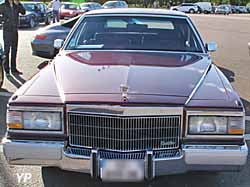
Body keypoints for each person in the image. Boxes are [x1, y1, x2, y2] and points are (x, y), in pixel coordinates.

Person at [0, 0, 26, 76]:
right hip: (7, 31)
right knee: (7, 50)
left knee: (14, 50)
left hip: (15, 30)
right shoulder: (3, 5)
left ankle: (14, 69)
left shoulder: (16, 5)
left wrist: (19, 4)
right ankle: (6, 70)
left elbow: (23, 12)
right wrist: (4, 20)